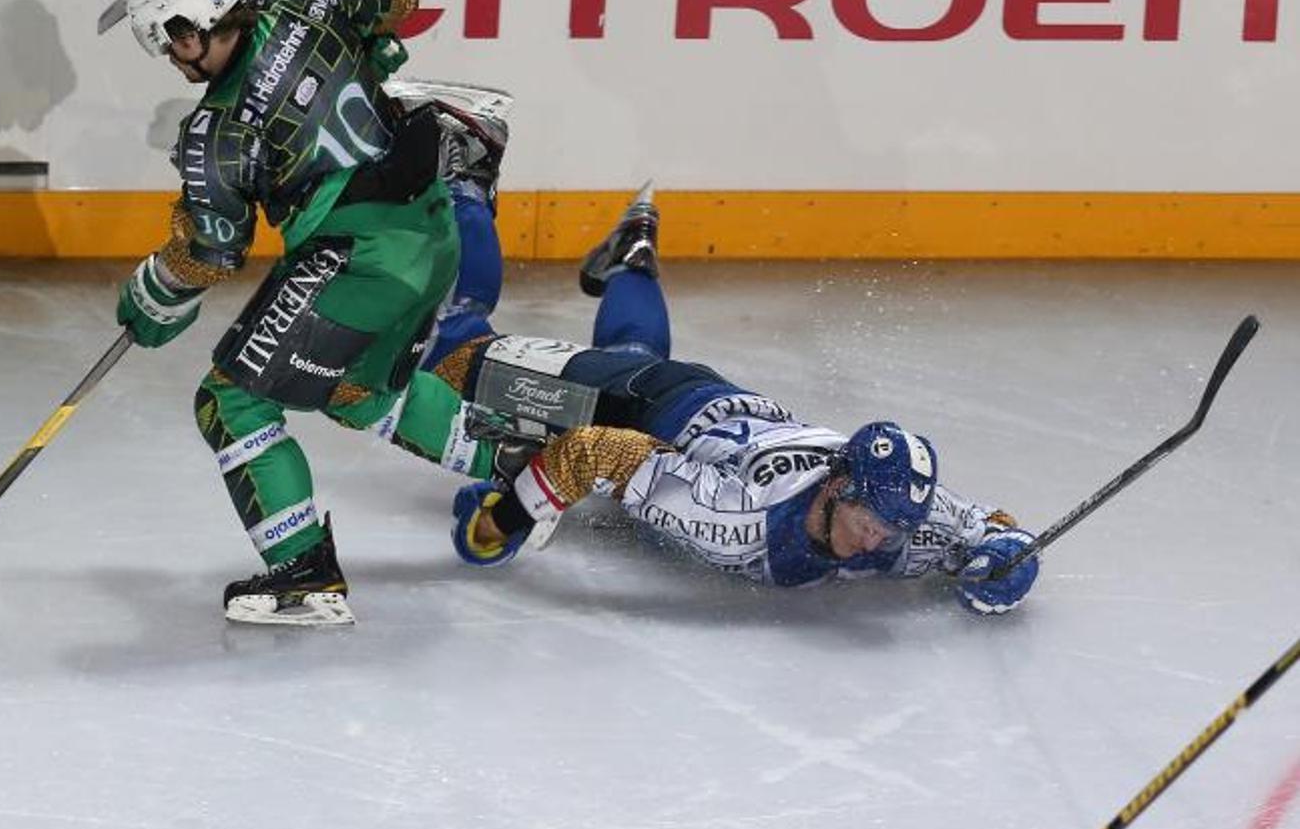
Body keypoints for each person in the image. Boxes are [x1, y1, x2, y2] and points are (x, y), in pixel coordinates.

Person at [98, 0, 506, 626]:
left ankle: (304, 576)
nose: (173, 60)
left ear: (188, 28)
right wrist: (371, 42)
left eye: (168, 44)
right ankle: (517, 469)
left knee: (229, 402)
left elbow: (210, 254)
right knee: (354, 390)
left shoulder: (216, 133)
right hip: (434, 231)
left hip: (359, 260)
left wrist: (152, 295)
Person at [415, 184, 1041, 616]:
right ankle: (467, 182)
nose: (879, 542)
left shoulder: (899, 516)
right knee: (452, 352)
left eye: (892, 528)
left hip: (715, 413)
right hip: (641, 402)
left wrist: (1010, 558)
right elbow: (593, 453)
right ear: (836, 486)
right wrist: (504, 522)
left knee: (634, 350)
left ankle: (631, 257)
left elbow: (991, 527)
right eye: (871, 522)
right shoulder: (739, 519)